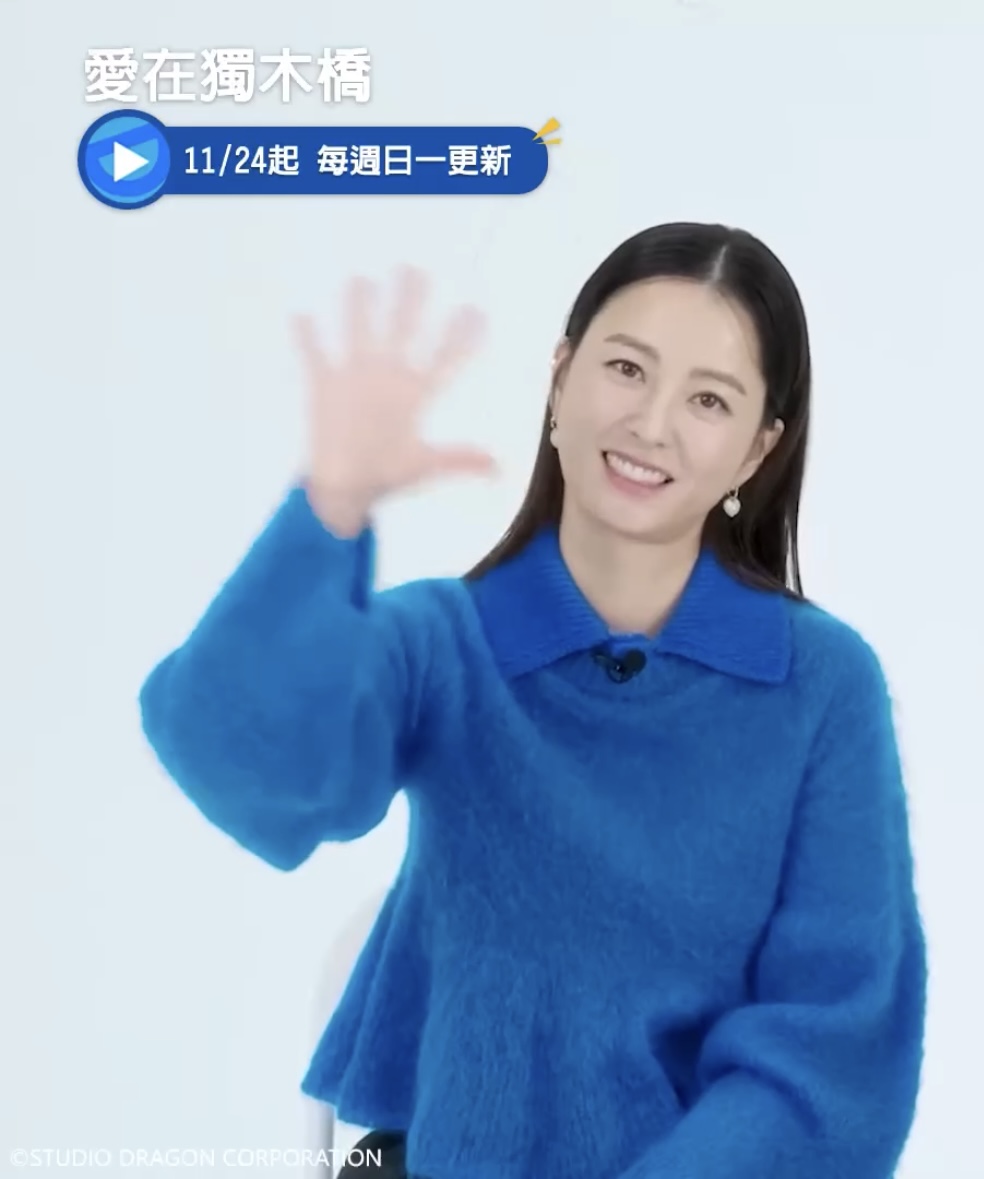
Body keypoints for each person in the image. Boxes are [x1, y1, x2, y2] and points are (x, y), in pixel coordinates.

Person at [138, 223, 926, 1179]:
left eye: (708, 399)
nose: (652, 424)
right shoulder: (445, 641)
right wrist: (328, 507)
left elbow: (834, 1051)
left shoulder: (822, 685)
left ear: (758, 450)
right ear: (561, 378)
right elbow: (243, 760)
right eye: (627, 369)